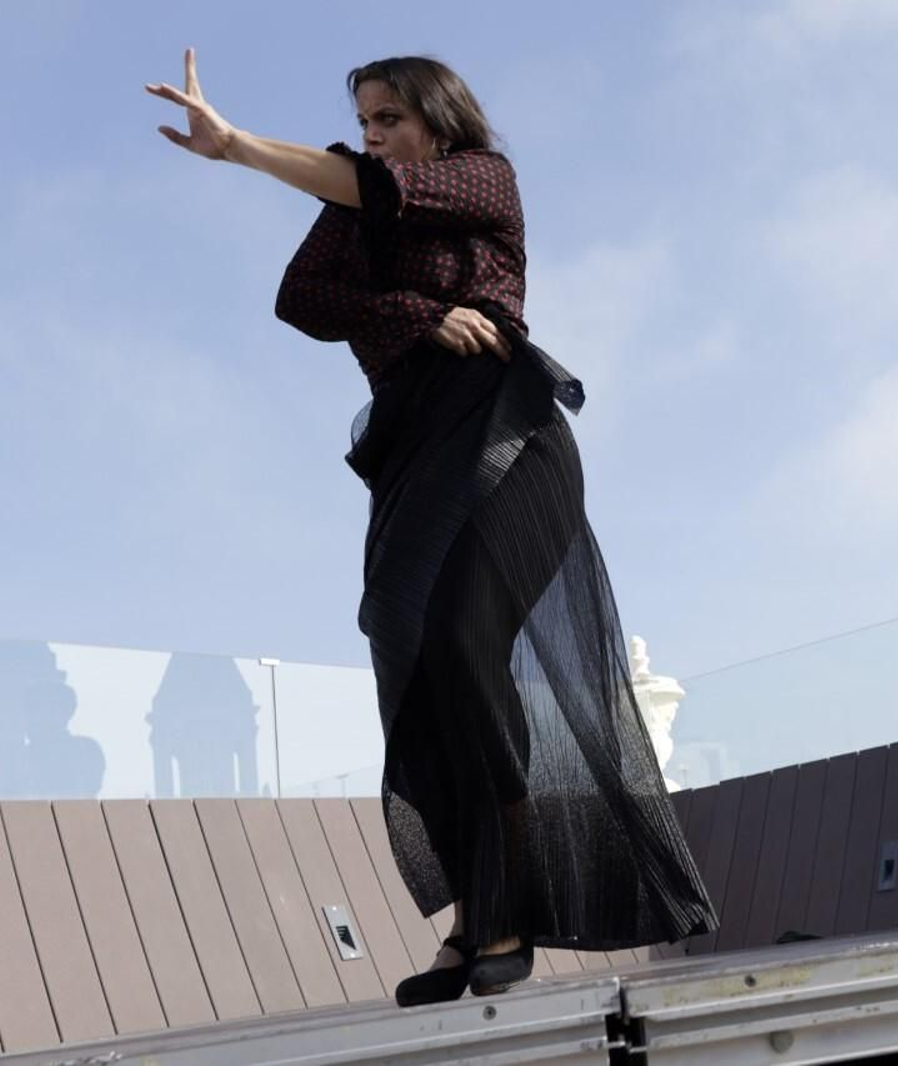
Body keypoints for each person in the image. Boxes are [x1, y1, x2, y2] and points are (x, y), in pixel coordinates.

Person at [147, 50, 716, 1004]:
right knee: (406, 647)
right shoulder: (358, 210)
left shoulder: (483, 177)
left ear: (436, 122)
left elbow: (377, 190)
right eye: (364, 122)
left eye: (387, 120)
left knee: (459, 641)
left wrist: (240, 146)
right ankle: (476, 915)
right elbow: (303, 299)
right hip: (416, 456)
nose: (370, 136)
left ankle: (503, 914)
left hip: (506, 435)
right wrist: (420, 313)